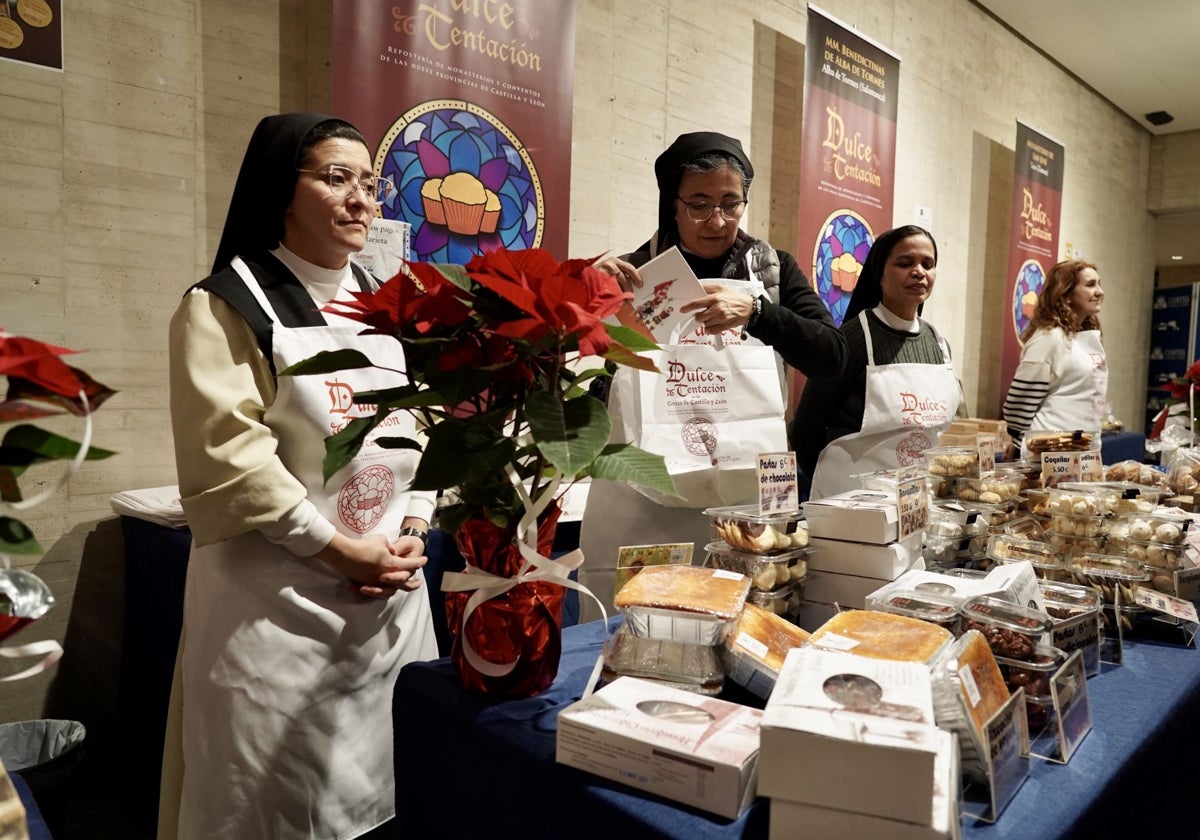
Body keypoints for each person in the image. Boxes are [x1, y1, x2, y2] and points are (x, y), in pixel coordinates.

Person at [161, 113, 438, 840]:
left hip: (389, 600)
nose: (361, 200)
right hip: (276, 612)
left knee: (394, 789)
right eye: (335, 178)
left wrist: (414, 528)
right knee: (275, 805)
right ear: (280, 191)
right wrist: (336, 548)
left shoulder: (389, 302)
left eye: (370, 184)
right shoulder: (225, 305)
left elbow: (425, 426)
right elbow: (231, 457)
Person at [578, 131, 846, 621]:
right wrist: (580, 289)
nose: (717, 221)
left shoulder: (771, 271)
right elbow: (556, 354)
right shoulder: (633, 273)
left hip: (749, 484)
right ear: (672, 203)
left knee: (748, 614)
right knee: (640, 619)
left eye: (730, 203)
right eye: (699, 204)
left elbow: (834, 357)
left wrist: (760, 314)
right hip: (644, 491)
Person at [790, 225, 961, 500]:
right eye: (905, 263)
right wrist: (832, 484)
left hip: (913, 502)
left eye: (927, 264)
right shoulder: (852, 339)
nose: (919, 272)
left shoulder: (938, 344)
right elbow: (805, 430)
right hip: (851, 502)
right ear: (878, 274)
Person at [1002, 260, 1106, 446]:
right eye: (1090, 285)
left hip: (1079, 453)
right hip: (1048, 454)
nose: (1100, 291)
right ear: (1065, 294)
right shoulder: (1049, 338)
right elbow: (1018, 404)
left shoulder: (1083, 338)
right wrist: (1021, 445)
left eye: (1099, 284)